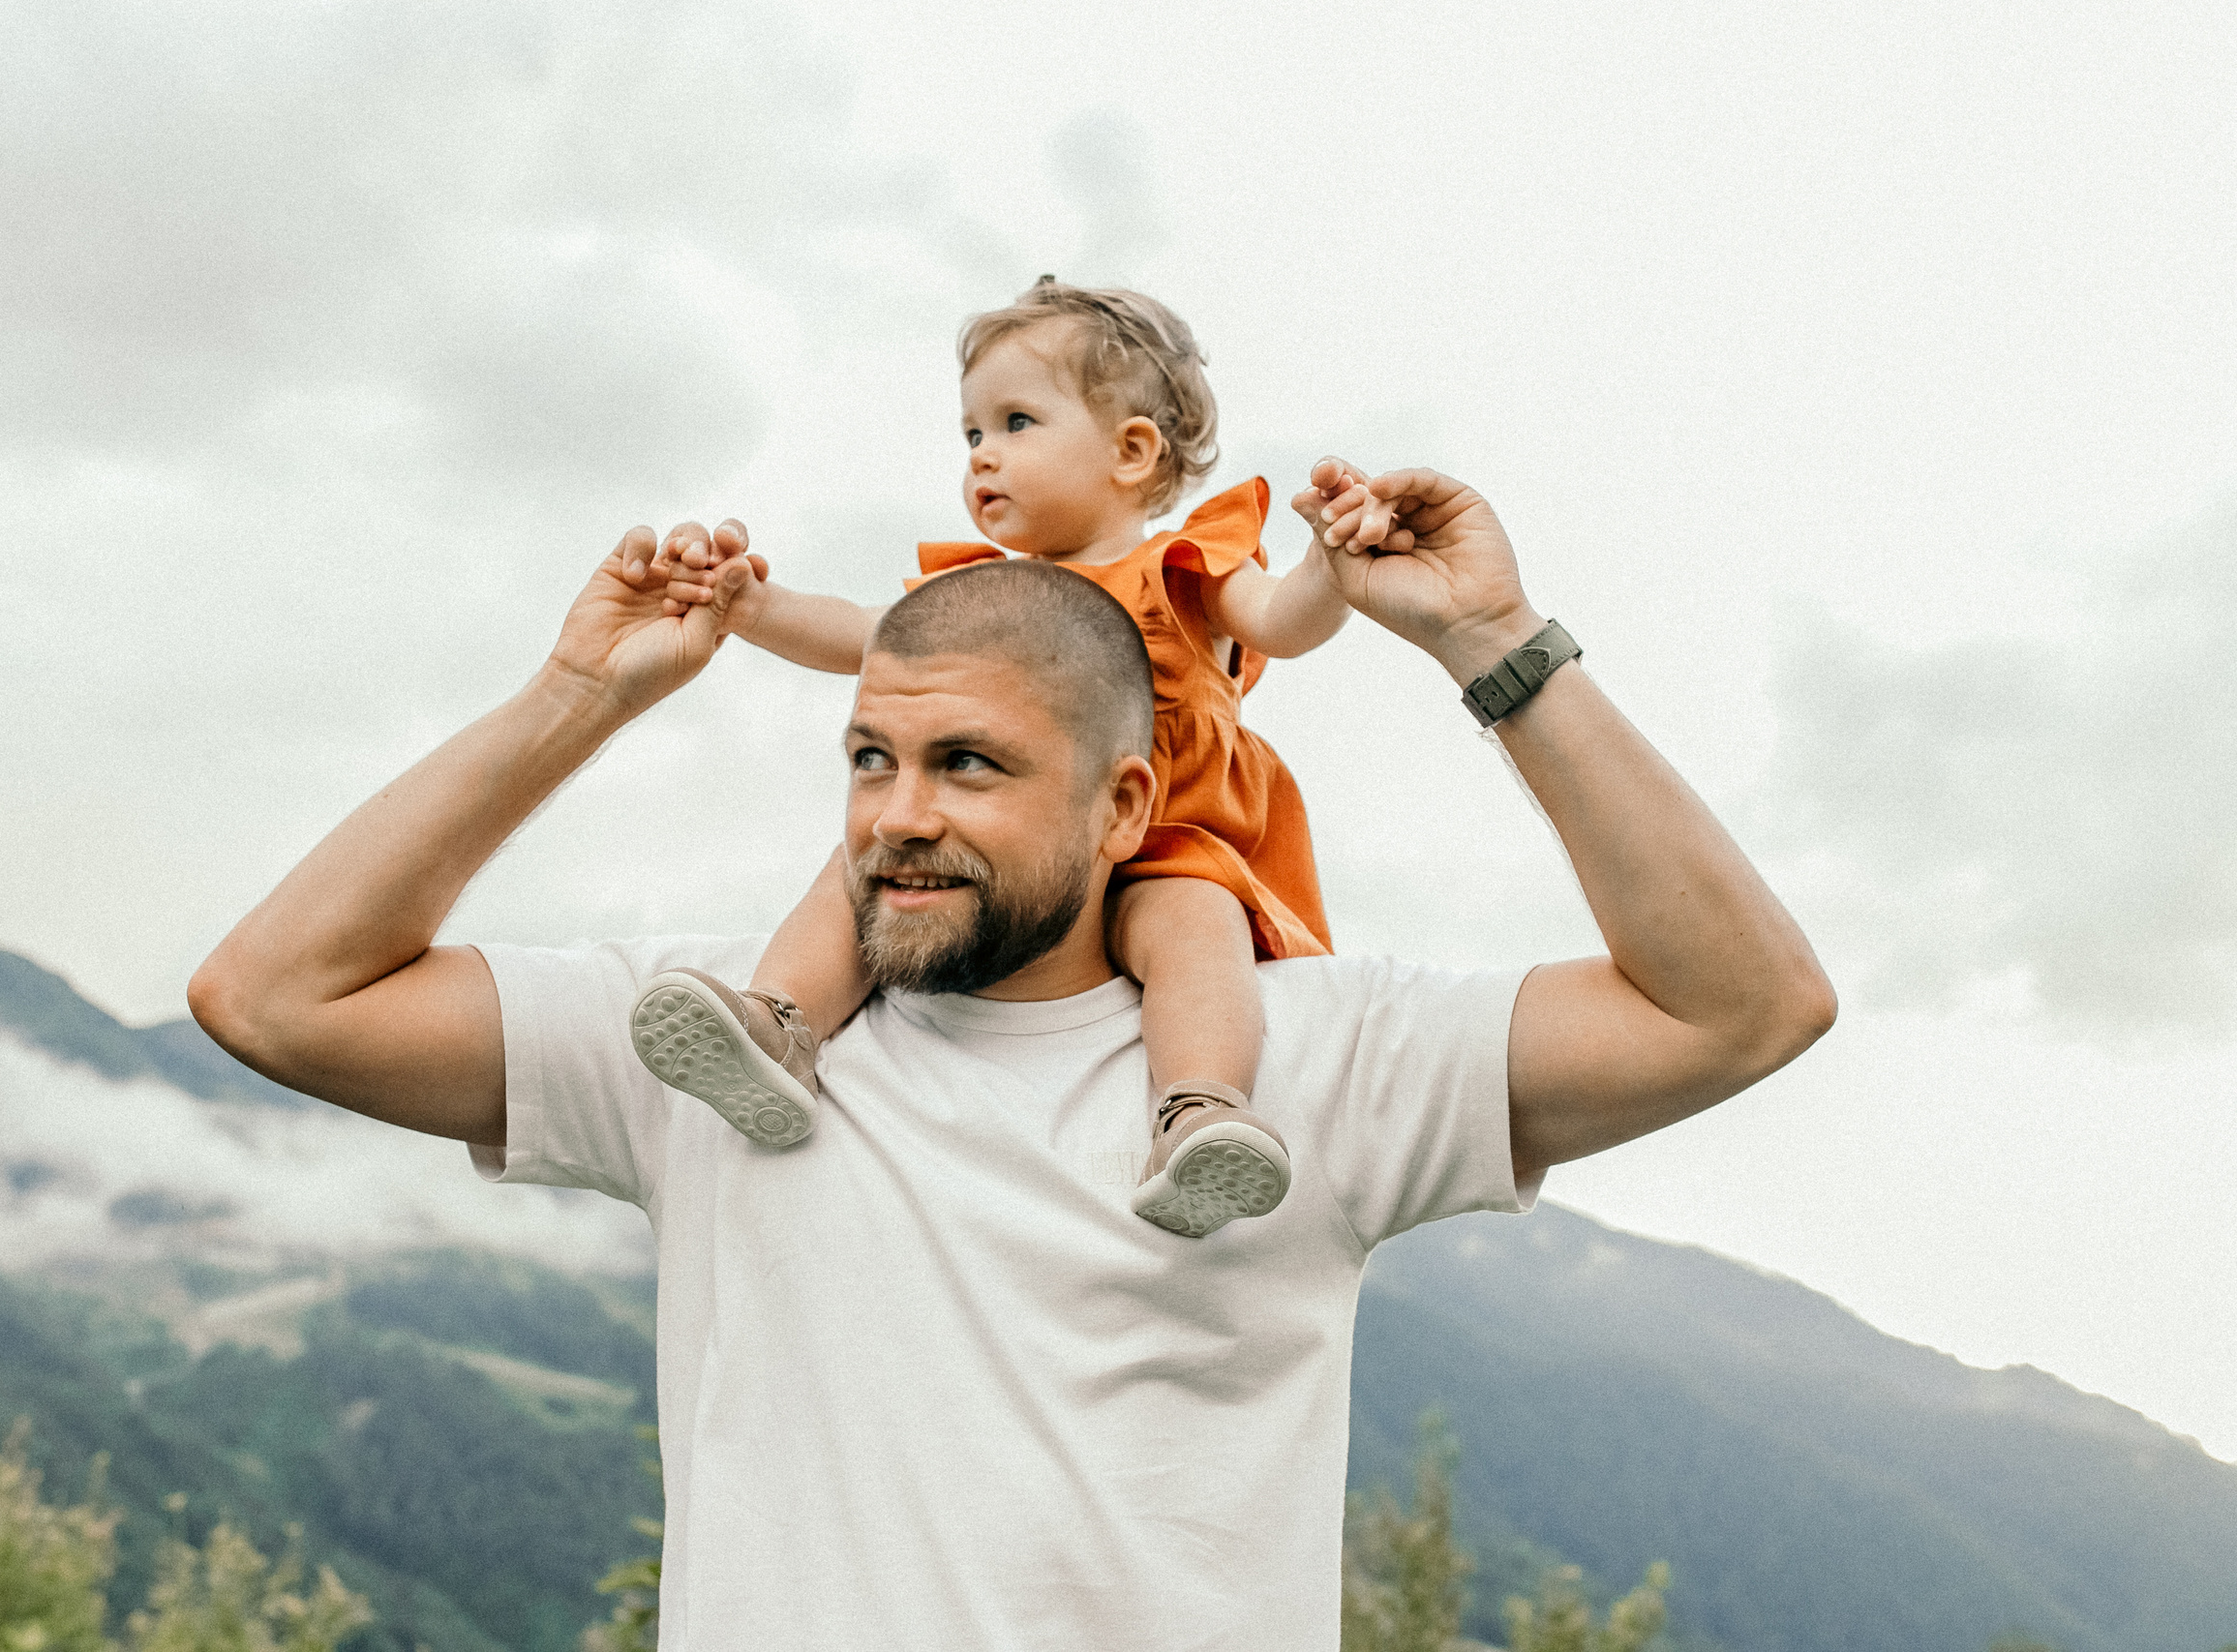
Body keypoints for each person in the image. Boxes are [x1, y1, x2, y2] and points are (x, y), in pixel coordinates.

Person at [187, 459, 1834, 1650]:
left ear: (1125, 805)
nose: (897, 814)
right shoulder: (711, 1044)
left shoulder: (1307, 1056)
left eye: (968, 764)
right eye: (871, 758)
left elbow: (1742, 1007)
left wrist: (1499, 643)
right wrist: (577, 692)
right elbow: (276, 997)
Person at [628, 278, 1348, 1241]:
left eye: (1016, 423)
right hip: (1002, 849)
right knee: (866, 867)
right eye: (971, 432)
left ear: (1132, 451)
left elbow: (1284, 622)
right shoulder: (973, 598)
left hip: (1166, 846)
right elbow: (860, 633)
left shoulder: (1184, 569)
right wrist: (751, 607)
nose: (982, 455)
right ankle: (779, 1026)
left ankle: (1199, 1109)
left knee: (1193, 924)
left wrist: (1332, 565)